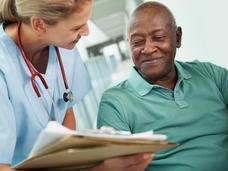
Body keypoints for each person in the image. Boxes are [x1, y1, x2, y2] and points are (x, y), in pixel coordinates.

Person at [0, 0, 154, 170]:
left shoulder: (65, 47)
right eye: (76, 28)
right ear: (39, 24)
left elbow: (66, 110)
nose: (86, 31)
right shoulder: (3, 66)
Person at [97, 1, 228, 171]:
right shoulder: (115, 103)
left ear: (178, 37)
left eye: (158, 37)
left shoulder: (210, 74)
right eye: (137, 42)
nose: (148, 48)